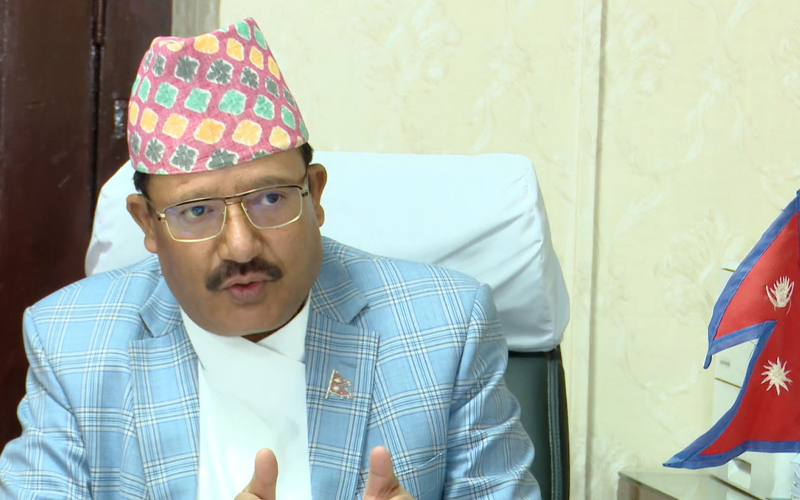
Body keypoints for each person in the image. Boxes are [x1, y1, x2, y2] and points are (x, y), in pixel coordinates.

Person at [0, 18, 540, 500]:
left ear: (316, 195)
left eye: (271, 199)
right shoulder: (72, 345)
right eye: (196, 211)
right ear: (148, 225)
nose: (241, 247)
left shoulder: (446, 330)